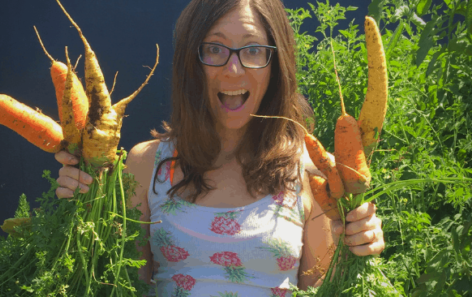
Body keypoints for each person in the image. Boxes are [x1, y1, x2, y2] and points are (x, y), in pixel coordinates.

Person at [55, 0, 385, 295]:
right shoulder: (146, 164)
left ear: (276, 64)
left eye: (253, 50)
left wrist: (354, 245)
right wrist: (84, 210)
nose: (233, 68)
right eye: (214, 49)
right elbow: (125, 286)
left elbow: (320, 289)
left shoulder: (309, 173)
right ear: (191, 62)